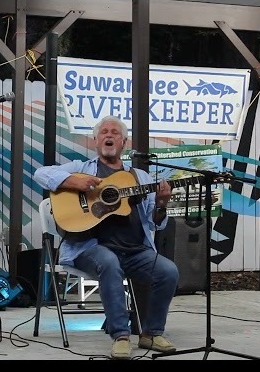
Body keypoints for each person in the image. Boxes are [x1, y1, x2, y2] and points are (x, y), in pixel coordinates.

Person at [33, 115, 179, 360]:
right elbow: (41, 173)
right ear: (96, 140)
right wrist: (73, 181)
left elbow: (156, 222)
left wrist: (162, 203)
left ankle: (151, 333)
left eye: (114, 132)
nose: (109, 135)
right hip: (88, 248)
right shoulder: (82, 168)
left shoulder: (140, 178)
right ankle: (121, 336)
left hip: (134, 250)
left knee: (168, 271)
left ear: (124, 142)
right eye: (104, 132)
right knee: (110, 263)